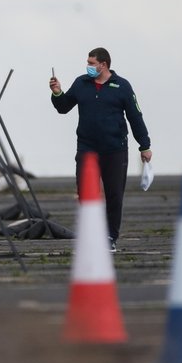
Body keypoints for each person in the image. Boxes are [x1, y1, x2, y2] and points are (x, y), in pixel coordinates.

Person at [49, 47, 151, 252]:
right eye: (87, 63)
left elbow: (135, 116)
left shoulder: (122, 86)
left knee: (114, 195)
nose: (88, 67)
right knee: (85, 193)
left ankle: (110, 237)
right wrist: (57, 93)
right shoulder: (81, 83)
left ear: (103, 65)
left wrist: (145, 145)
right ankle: (90, 234)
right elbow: (64, 107)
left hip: (115, 149)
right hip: (87, 148)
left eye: (91, 63)